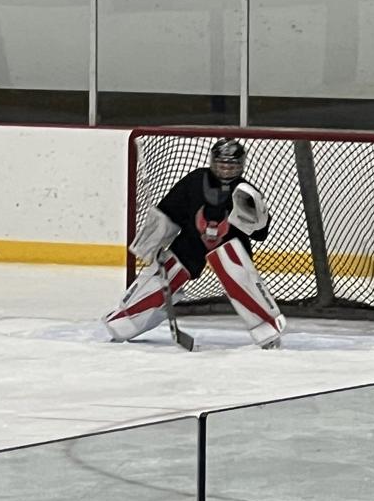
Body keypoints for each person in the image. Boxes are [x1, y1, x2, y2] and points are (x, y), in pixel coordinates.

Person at [102, 138, 286, 349]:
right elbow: (169, 212)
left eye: (231, 166)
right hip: (191, 242)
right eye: (221, 164)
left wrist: (258, 219)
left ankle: (267, 328)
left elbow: (259, 233)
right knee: (165, 273)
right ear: (212, 162)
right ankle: (126, 320)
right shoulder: (195, 181)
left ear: (241, 166)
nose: (226, 170)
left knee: (239, 275)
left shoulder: (245, 191)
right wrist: (152, 244)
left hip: (229, 244)